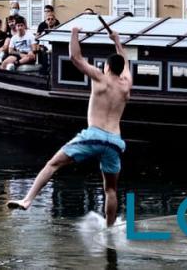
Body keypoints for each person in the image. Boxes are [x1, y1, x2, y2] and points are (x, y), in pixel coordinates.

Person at [7, 27, 131, 227]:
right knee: (110, 190)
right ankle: (109, 228)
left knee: (53, 164)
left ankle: (27, 199)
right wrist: (117, 41)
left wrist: (74, 33)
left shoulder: (101, 78)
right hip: (115, 142)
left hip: (94, 135)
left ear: (107, 67)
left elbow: (75, 57)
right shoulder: (126, 85)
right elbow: (124, 64)